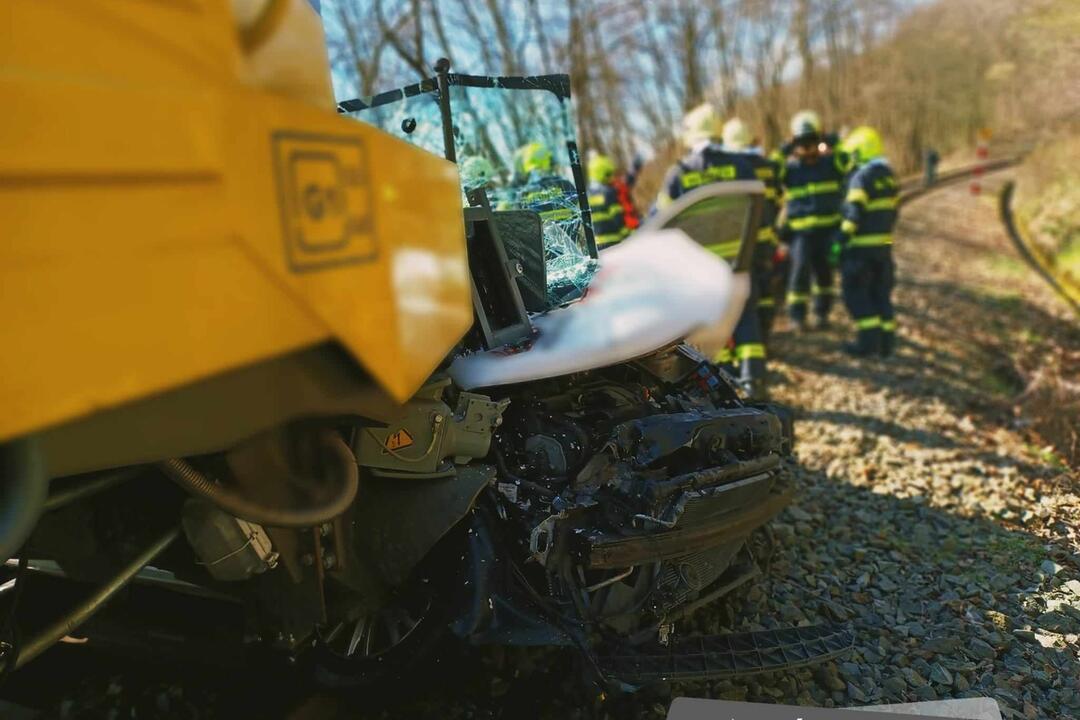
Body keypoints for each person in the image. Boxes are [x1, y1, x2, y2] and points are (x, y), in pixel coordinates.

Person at [657, 103, 765, 398]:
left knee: (705, 332)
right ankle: (754, 380)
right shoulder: (741, 167)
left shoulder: (678, 174)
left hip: (698, 273)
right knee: (746, 321)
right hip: (737, 264)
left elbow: (659, 223)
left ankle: (719, 388)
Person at [778, 110, 847, 332]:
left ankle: (822, 313)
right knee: (799, 272)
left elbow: (848, 157)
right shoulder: (789, 169)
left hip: (828, 231)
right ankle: (797, 317)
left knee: (825, 273)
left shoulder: (831, 163)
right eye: (802, 143)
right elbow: (769, 169)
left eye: (811, 141)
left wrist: (829, 139)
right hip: (801, 234)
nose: (807, 148)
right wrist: (788, 146)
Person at [836, 126, 899, 357]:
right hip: (883, 248)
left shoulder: (860, 178)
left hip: (860, 251)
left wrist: (840, 240)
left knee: (855, 294)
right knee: (881, 294)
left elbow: (854, 214)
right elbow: (894, 212)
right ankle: (887, 344)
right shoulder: (888, 177)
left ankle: (867, 343)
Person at [722, 117, 782, 344]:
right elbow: (776, 201)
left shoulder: (729, 169)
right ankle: (764, 335)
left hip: (738, 245)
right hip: (764, 240)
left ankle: (748, 343)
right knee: (765, 292)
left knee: (744, 299)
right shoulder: (767, 166)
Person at [587, 153, 633, 249]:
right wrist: (630, 235)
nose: (611, 178)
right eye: (608, 174)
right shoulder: (608, 192)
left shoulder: (587, 195)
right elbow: (618, 219)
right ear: (601, 173)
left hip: (597, 246)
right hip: (615, 243)